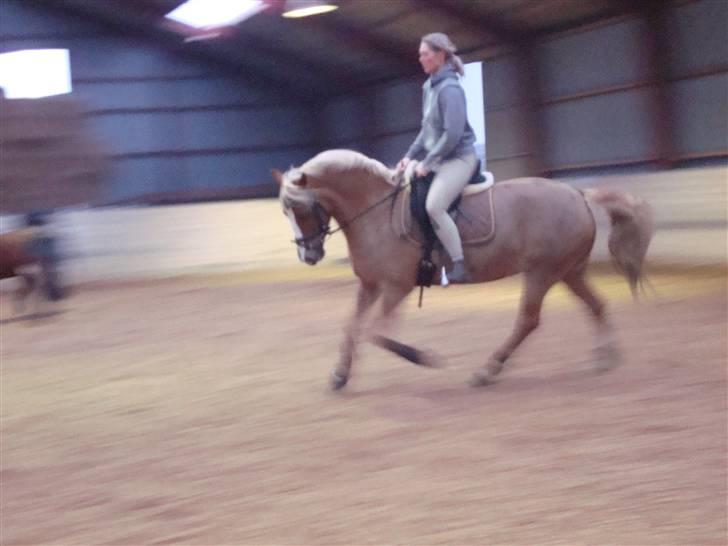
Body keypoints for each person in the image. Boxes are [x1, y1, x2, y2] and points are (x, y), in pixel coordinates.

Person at [397, 32, 478, 284]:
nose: (420, 59)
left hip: (459, 158)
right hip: (440, 158)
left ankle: (459, 263)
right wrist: (408, 156)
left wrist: (427, 162)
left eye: (425, 54)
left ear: (440, 55)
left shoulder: (450, 89)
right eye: (420, 54)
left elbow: (452, 134)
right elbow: (426, 130)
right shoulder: (429, 86)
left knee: (434, 205)